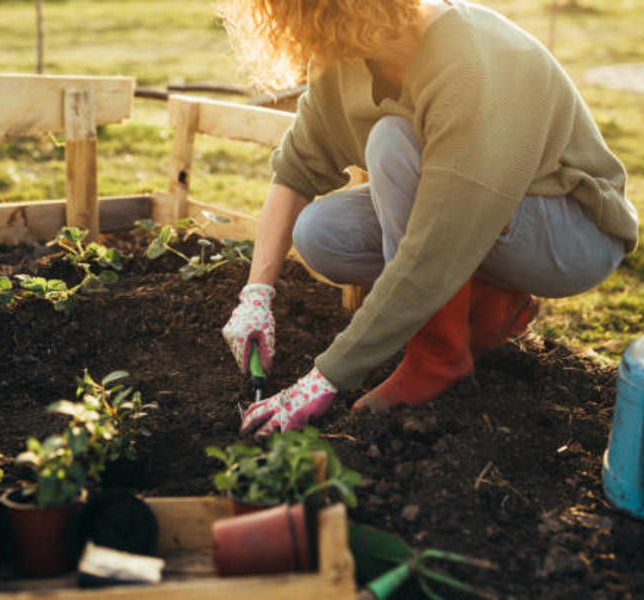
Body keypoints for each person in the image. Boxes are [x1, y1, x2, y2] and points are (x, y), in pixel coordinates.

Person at [220, 0, 639, 437]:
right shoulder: (346, 58)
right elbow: (294, 171)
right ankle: (489, 303)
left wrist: (323, 378)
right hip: (478, 215)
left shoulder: (469, 64)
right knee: (322, 233)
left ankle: (438, 356)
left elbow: (434, 247)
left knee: (390, 142)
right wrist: (256, 295)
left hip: (570, 232)